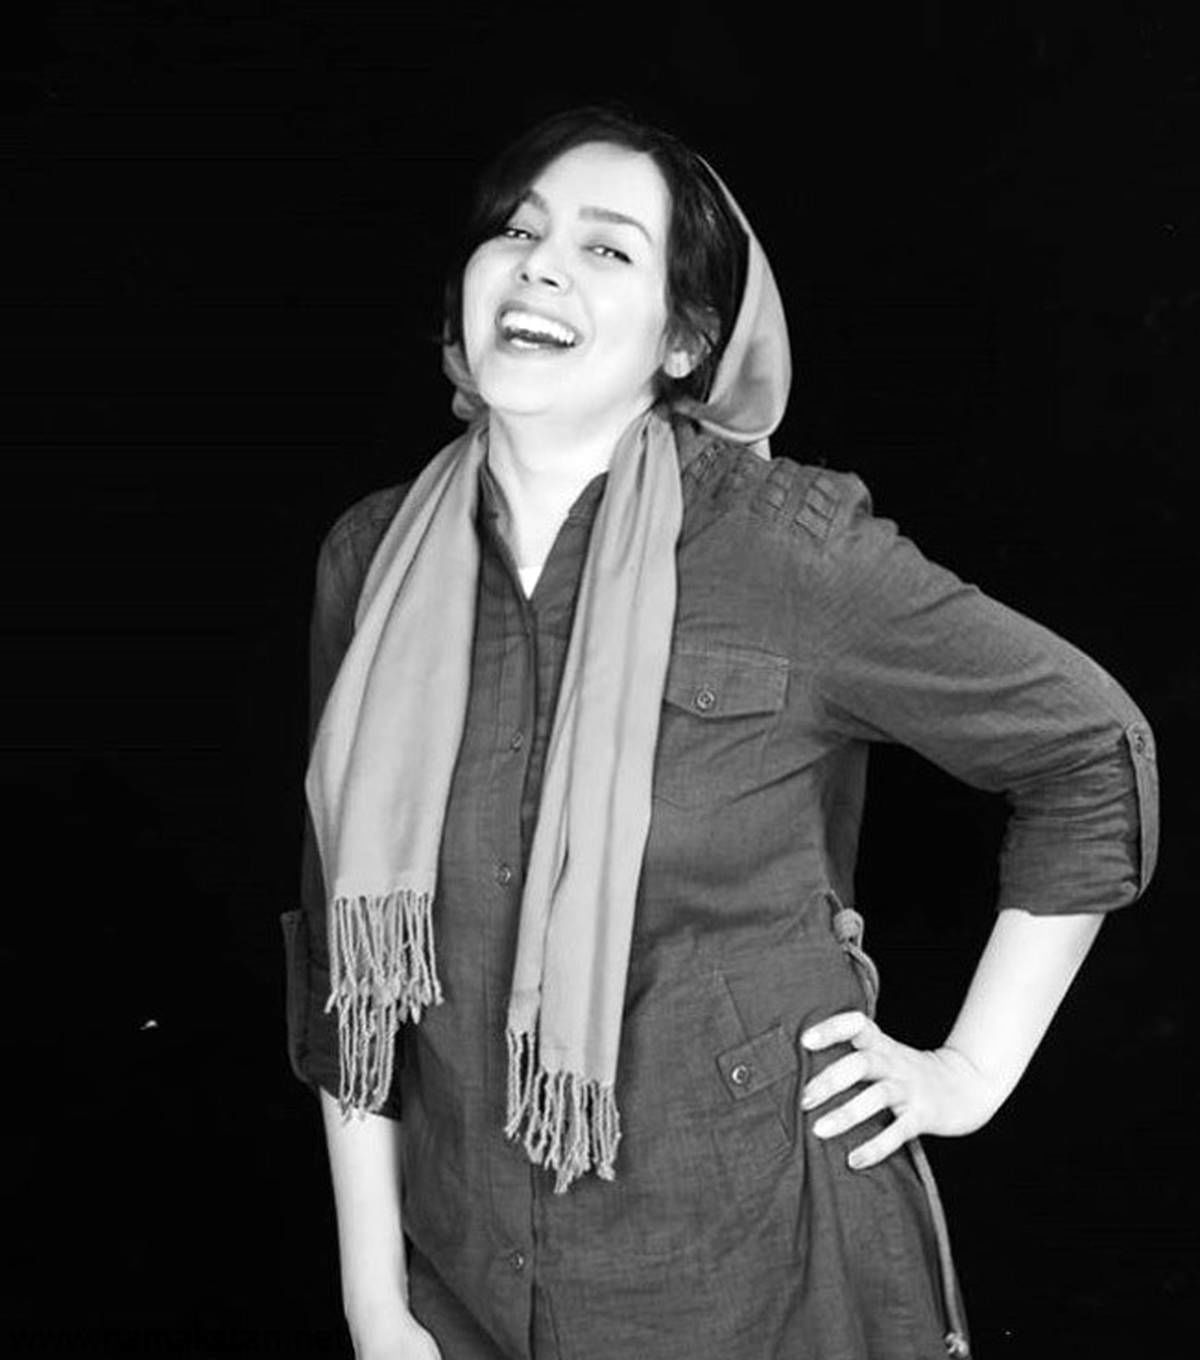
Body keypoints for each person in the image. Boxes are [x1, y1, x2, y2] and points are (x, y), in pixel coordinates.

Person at [281, 106, 1159, 1360]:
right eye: (519, 231)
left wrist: (969, 1073)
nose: (540, 266)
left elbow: (1087, 754)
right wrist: (377, 1302)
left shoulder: (787, 551)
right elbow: (345, 963)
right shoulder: (370, 562)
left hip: (762, 1278)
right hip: (462, 1282)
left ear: (687, 340)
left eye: (606, 249)